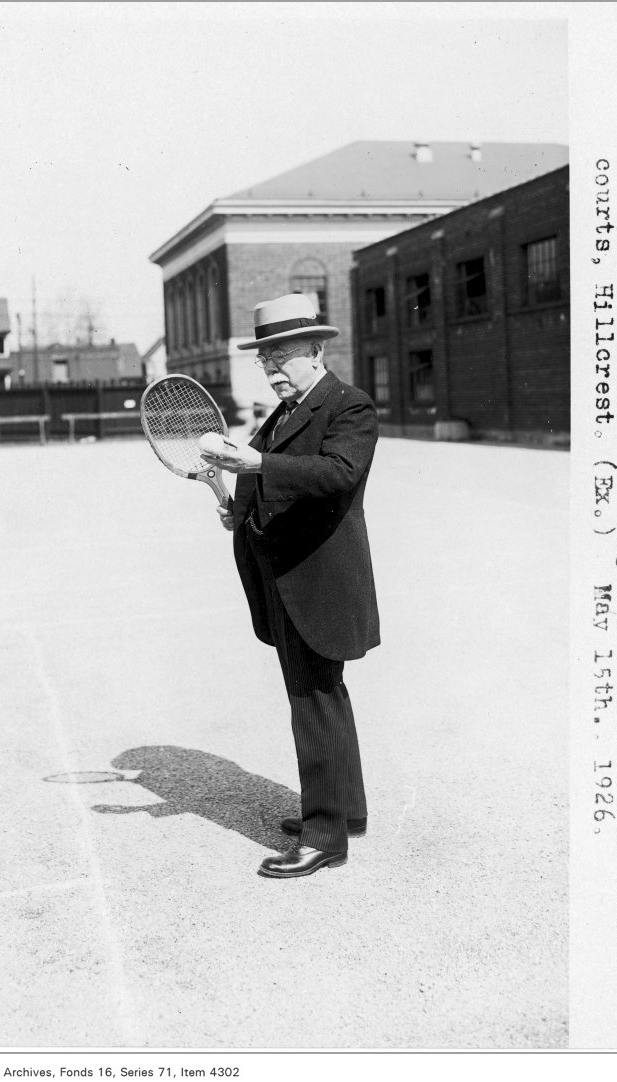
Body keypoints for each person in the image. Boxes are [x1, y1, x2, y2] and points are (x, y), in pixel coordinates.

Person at [201, 293, 380, 878]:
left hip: (317, 582)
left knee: (313, 699)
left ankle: (324, 835)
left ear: (318, 351)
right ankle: (344, 810)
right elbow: (265, 475)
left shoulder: (349, 406)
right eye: (265, 360)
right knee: (323, 692)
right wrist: (239, 511)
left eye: (283, 357)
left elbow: (338, 475)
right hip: (284, 578)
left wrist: (253, 469)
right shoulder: (281, 412)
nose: (273, 369)